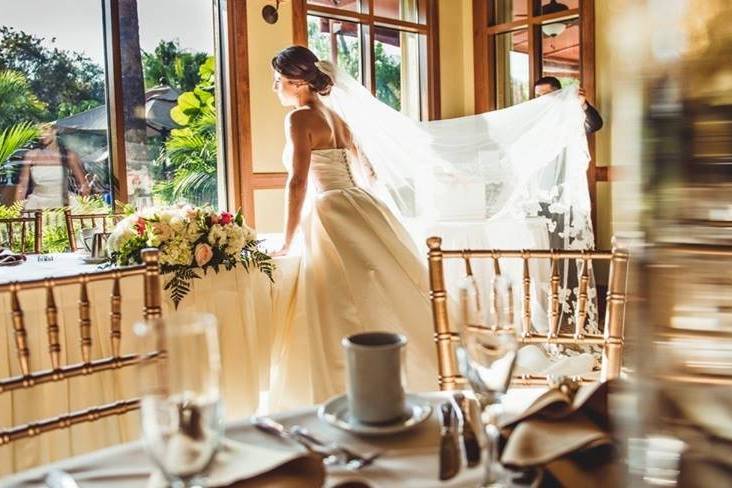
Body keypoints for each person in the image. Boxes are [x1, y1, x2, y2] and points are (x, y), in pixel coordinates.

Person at [268, 46, 438, 407]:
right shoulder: (337, 116)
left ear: (297, 83)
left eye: (278, 80)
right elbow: (368, 172)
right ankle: (407, 367)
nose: (275, 87)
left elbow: (297, 181)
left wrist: (287, 239)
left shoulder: (299, 119)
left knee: (340, 295)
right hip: (360, 203)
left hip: (329, 207)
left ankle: (351, 385)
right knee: (380, 284)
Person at [15, 124, 90, 209]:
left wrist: (86, 207)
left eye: (45, 130)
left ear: (55, 130)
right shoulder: (31, 156)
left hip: (65, 203)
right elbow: (22, 186)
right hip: (37, 205)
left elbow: (83, 184)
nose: (42, 134)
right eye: (38, 131)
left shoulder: (68, 155)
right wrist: (17, 212)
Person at [534, 76, 603, 134]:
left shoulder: (572, 107)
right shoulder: (536, 112)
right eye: (538, 95)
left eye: (545, 94)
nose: (541, 98)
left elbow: (594, 126)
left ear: (558, 92)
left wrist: (583, 104)